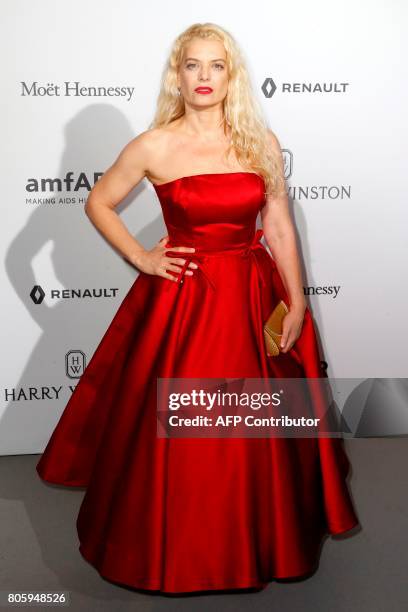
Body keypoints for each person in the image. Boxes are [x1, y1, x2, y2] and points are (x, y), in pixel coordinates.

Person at [36, 22, 359, 595]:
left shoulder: (260, 140)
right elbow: (99, 202)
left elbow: (278, 227)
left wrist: (297, 299)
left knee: (257, 427)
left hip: (254, 295)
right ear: (177, 75)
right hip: (186, 303)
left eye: (215, 65)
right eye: (192, 65)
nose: (204, 76)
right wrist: (140, 255)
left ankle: (259, 541)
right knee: (183, 426)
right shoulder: (154, 145)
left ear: (230, 75)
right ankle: (180, 546)